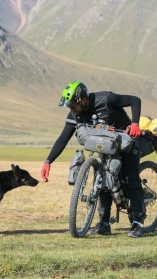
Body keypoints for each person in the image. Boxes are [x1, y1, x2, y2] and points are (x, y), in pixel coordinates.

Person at [40, 81, 146, 238]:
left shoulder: (107, 99)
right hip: (106, 145)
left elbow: (134, 100)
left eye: (73, 106)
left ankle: (138, 223)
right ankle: (104, 224)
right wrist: (48, 161)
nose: (72, 110)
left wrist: (135, 123)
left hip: (127, 141)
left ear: (83, 100)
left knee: (131, 179)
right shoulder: (75, 114)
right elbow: (63, 138)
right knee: (102, 178)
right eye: (70, 107)